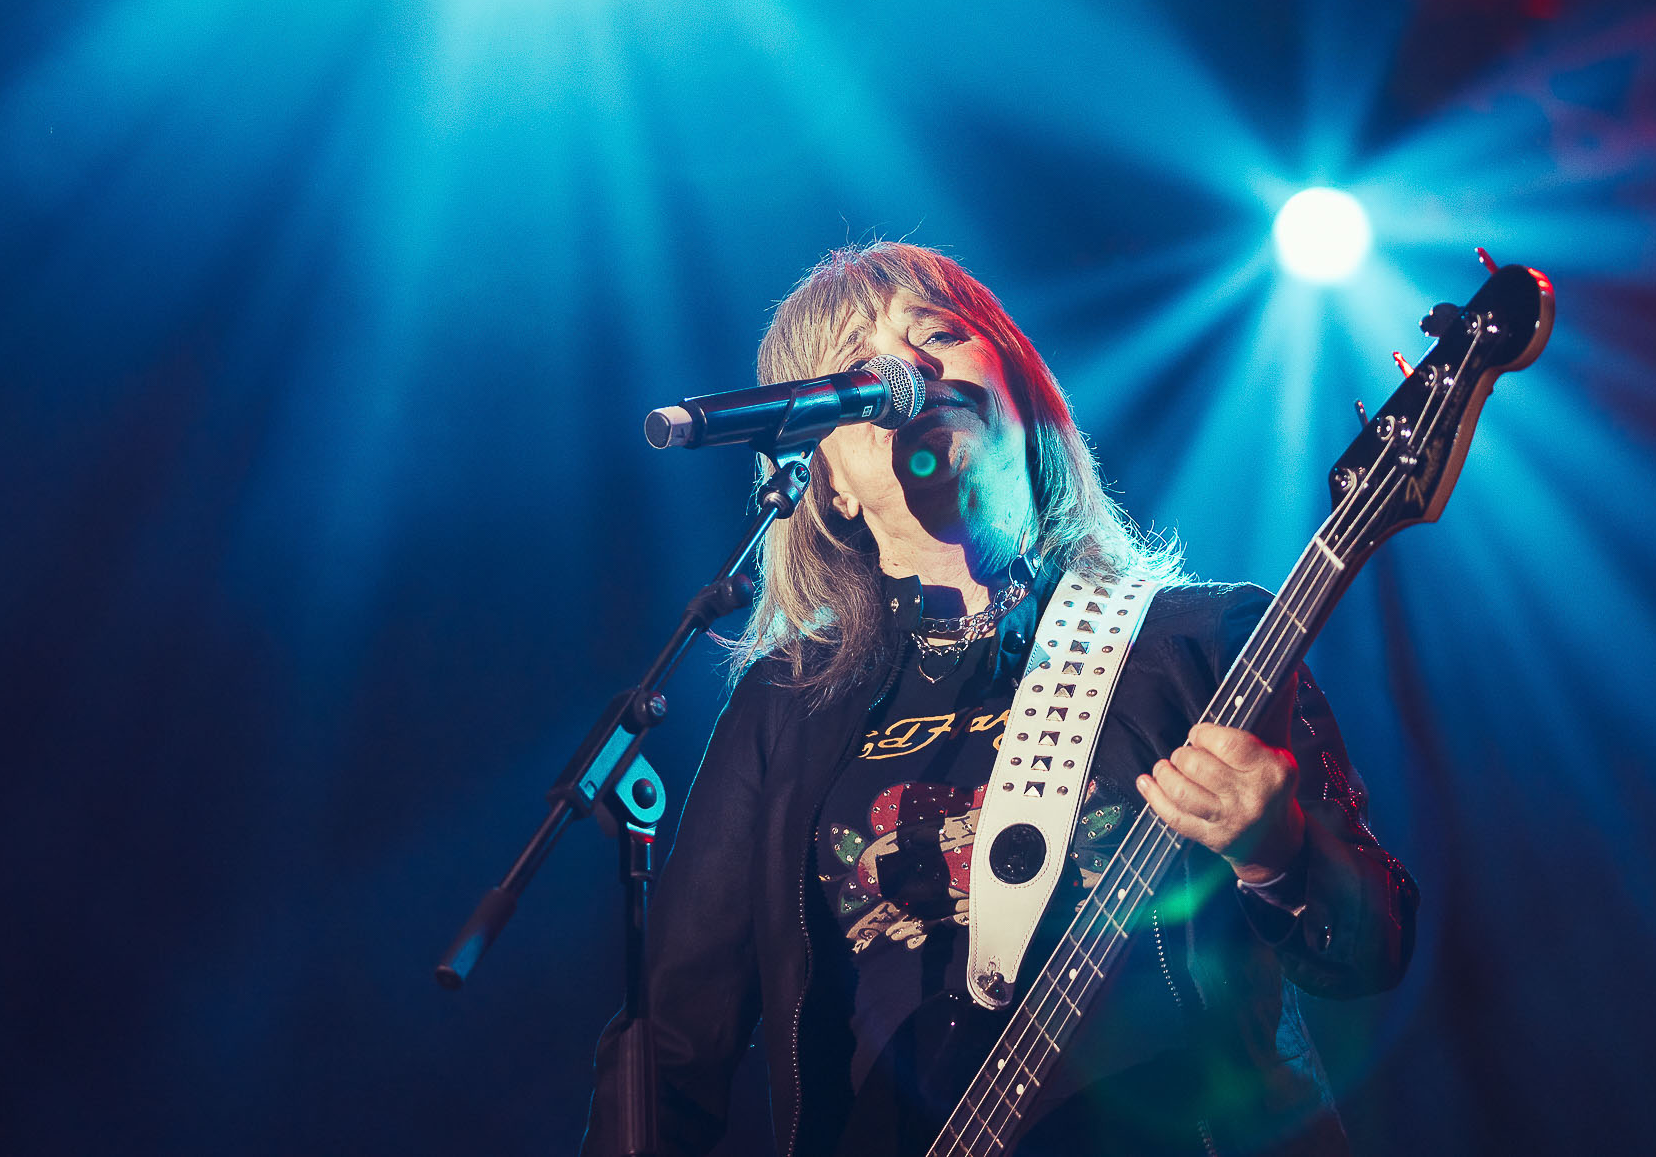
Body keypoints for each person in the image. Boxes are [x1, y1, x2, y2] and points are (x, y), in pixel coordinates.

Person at [586, 243, 1416, 1157]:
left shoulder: (1198, 641)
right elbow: (673, 1049)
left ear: (1026, 398)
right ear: (829, 483)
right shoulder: (785, 707)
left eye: (940, 334)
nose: (906, 368)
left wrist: (1279, 854)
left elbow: (1375, 945)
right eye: (857, 367)